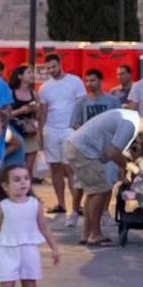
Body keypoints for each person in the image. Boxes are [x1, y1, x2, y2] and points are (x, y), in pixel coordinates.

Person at [64, 101, 143, 247]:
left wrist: (130, 162)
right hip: (83, 150)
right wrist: (133, 168)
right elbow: (113, 152)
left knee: (93, 192)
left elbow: (118, 149)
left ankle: (87, 234)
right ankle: (94, 234)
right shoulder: (130, 125)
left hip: (78, 147)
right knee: (101, 190)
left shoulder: (130, 118)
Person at [37, 51, 86, 215]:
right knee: (55, 168)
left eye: (53, 66)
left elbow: (81, 105)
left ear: (60, 64)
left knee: (71, 168)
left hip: (69, 130)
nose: (51, 70)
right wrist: (40, 133)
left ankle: (76, 205)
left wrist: (81, 127)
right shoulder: (45, 87)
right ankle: (61, 204)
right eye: (48, 68)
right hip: (51, 130)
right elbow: (43, 111)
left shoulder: (75, 82)